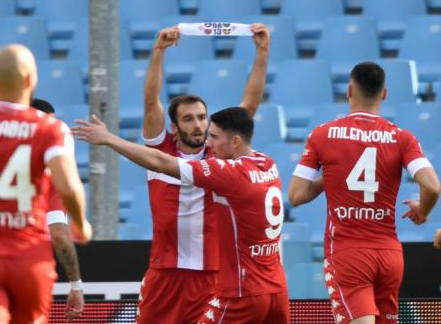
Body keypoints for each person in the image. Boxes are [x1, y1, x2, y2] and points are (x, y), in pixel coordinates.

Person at [72, 107, 290, 324]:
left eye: (213, 137)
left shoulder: (228, 173)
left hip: (242, 292)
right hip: (277, 289)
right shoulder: (268, 163)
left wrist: (109, 139)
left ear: (235, 142)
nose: (208, 143)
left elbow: (161, 162)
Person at [125, 23, 270, 324]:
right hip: (165, 274)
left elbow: (249, 106)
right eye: (189, 119)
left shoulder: (218, 153)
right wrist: (158, 51)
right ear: (175, 127)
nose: (198, 125)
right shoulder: (160, 150)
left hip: (213, 275)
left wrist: (262, 51)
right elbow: (151, 102)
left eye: (202, 118)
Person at [0, 44, 92, 323]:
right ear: (31, 80)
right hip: (29, 258)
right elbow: (69, 187)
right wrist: (81, 224)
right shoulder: (51, 129)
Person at [287, 62, 441, 324]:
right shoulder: (402, 137)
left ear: (349, 90)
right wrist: (422, 211)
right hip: (389, 255)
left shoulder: (323, 135)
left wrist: (333, 174)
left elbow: (296, 195)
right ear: (384, 94)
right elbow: (433, 186)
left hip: (348, 252)